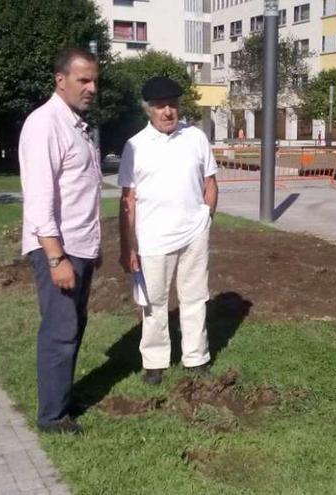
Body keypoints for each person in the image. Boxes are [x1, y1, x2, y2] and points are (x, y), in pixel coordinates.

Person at [19, 47, 101, 434]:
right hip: (59, 250)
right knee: (60, 331)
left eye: (94, 80)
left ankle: (63, 399)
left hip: (80, 248)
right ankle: (52, 418)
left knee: (73, 327)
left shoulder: (74, 125)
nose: (92, 88)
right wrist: (55, 258)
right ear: (61, 80)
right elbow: (39, 200)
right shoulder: (44, 124)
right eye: (84, 80)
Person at [118, 76, 219, 385]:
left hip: (193, 234)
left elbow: (210, 183)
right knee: (154, 303)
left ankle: (195, 358)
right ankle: (154, 363)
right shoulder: (135, 146)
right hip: (153, 239)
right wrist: (127, 246)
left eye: (172, 105)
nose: (167, 112)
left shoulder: (196, 138)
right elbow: (128, 200)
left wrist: (205, 219)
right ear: (148, 109)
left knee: (194, 297)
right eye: (160, 106)